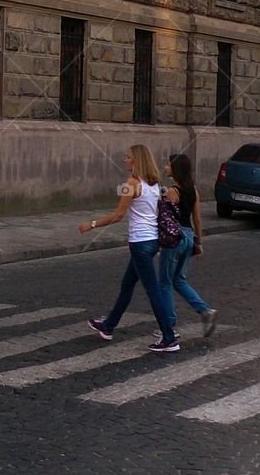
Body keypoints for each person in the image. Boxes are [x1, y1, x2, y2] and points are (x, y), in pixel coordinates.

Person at [78, 143, 179, 353]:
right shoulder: (154, 184)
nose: (125, 159)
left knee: (153, 291)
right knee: (127, 285)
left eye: (128, 156)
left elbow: (118, 215)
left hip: (140, 244)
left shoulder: (132, 183)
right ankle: (108, 326)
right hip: (150, 242)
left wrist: (92, 224)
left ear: (136, 160)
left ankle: (169, 337)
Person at [157, 153, 217, 340]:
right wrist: (199, 242)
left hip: (175, 238)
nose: (165, 167)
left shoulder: (171, 192)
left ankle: (169, 325)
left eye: (168, 164)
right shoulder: (194, 190)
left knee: (165, 282)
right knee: (179, 280)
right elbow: (197, 219)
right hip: (189, 235)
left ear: (175, 169)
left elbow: (165, 219)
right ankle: (205, 311)